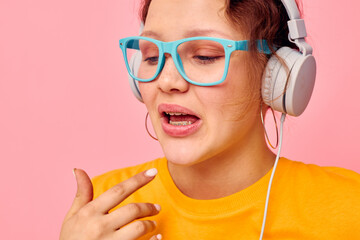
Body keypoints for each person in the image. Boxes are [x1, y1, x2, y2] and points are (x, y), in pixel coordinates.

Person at [60, 0, 360, 239]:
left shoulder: (349, 209)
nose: (166, 80)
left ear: (277, 75)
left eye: (204, 56)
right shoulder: (99, 210)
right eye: (152, 56)